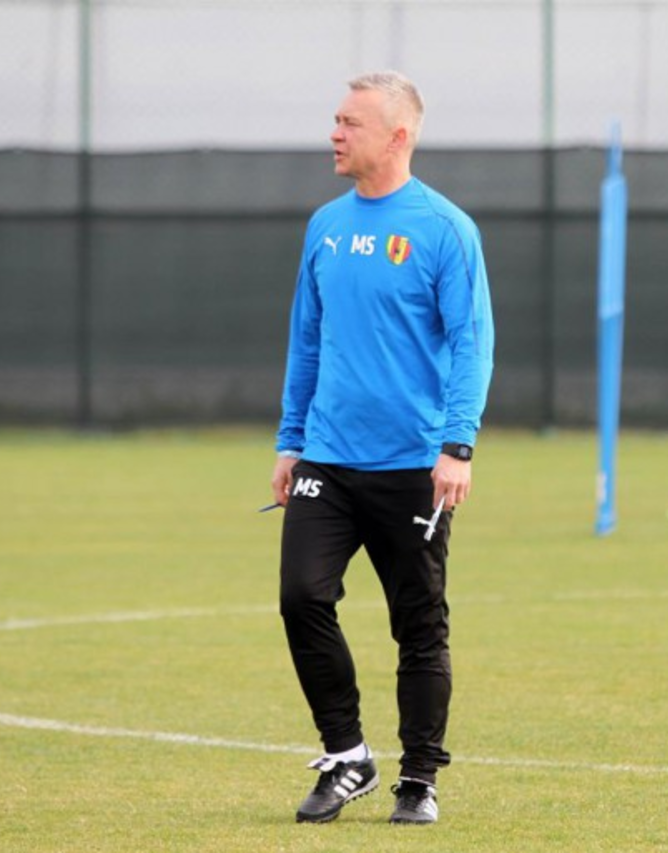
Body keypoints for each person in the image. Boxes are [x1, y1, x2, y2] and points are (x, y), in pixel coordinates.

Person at [269, 71, 494, 826]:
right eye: (335, 120)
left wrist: (457, 445)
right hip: (327, 461)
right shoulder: (325, 226)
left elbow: (473, 344)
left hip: (414, 468)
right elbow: (307, 340)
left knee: (418, 626)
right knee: (302, 597)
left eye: (350, 123)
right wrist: (291, 439)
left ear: (398, 136)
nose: (334, 133)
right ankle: (347, 755)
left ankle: (419, 779)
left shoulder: (444, 228)